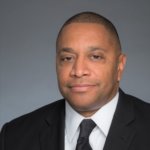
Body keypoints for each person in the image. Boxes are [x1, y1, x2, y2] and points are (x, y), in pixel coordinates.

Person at [0, 11, 150, 150]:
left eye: (95, 57)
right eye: (67, 58)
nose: (78, 71)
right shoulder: (14, 136)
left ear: (120, 65)